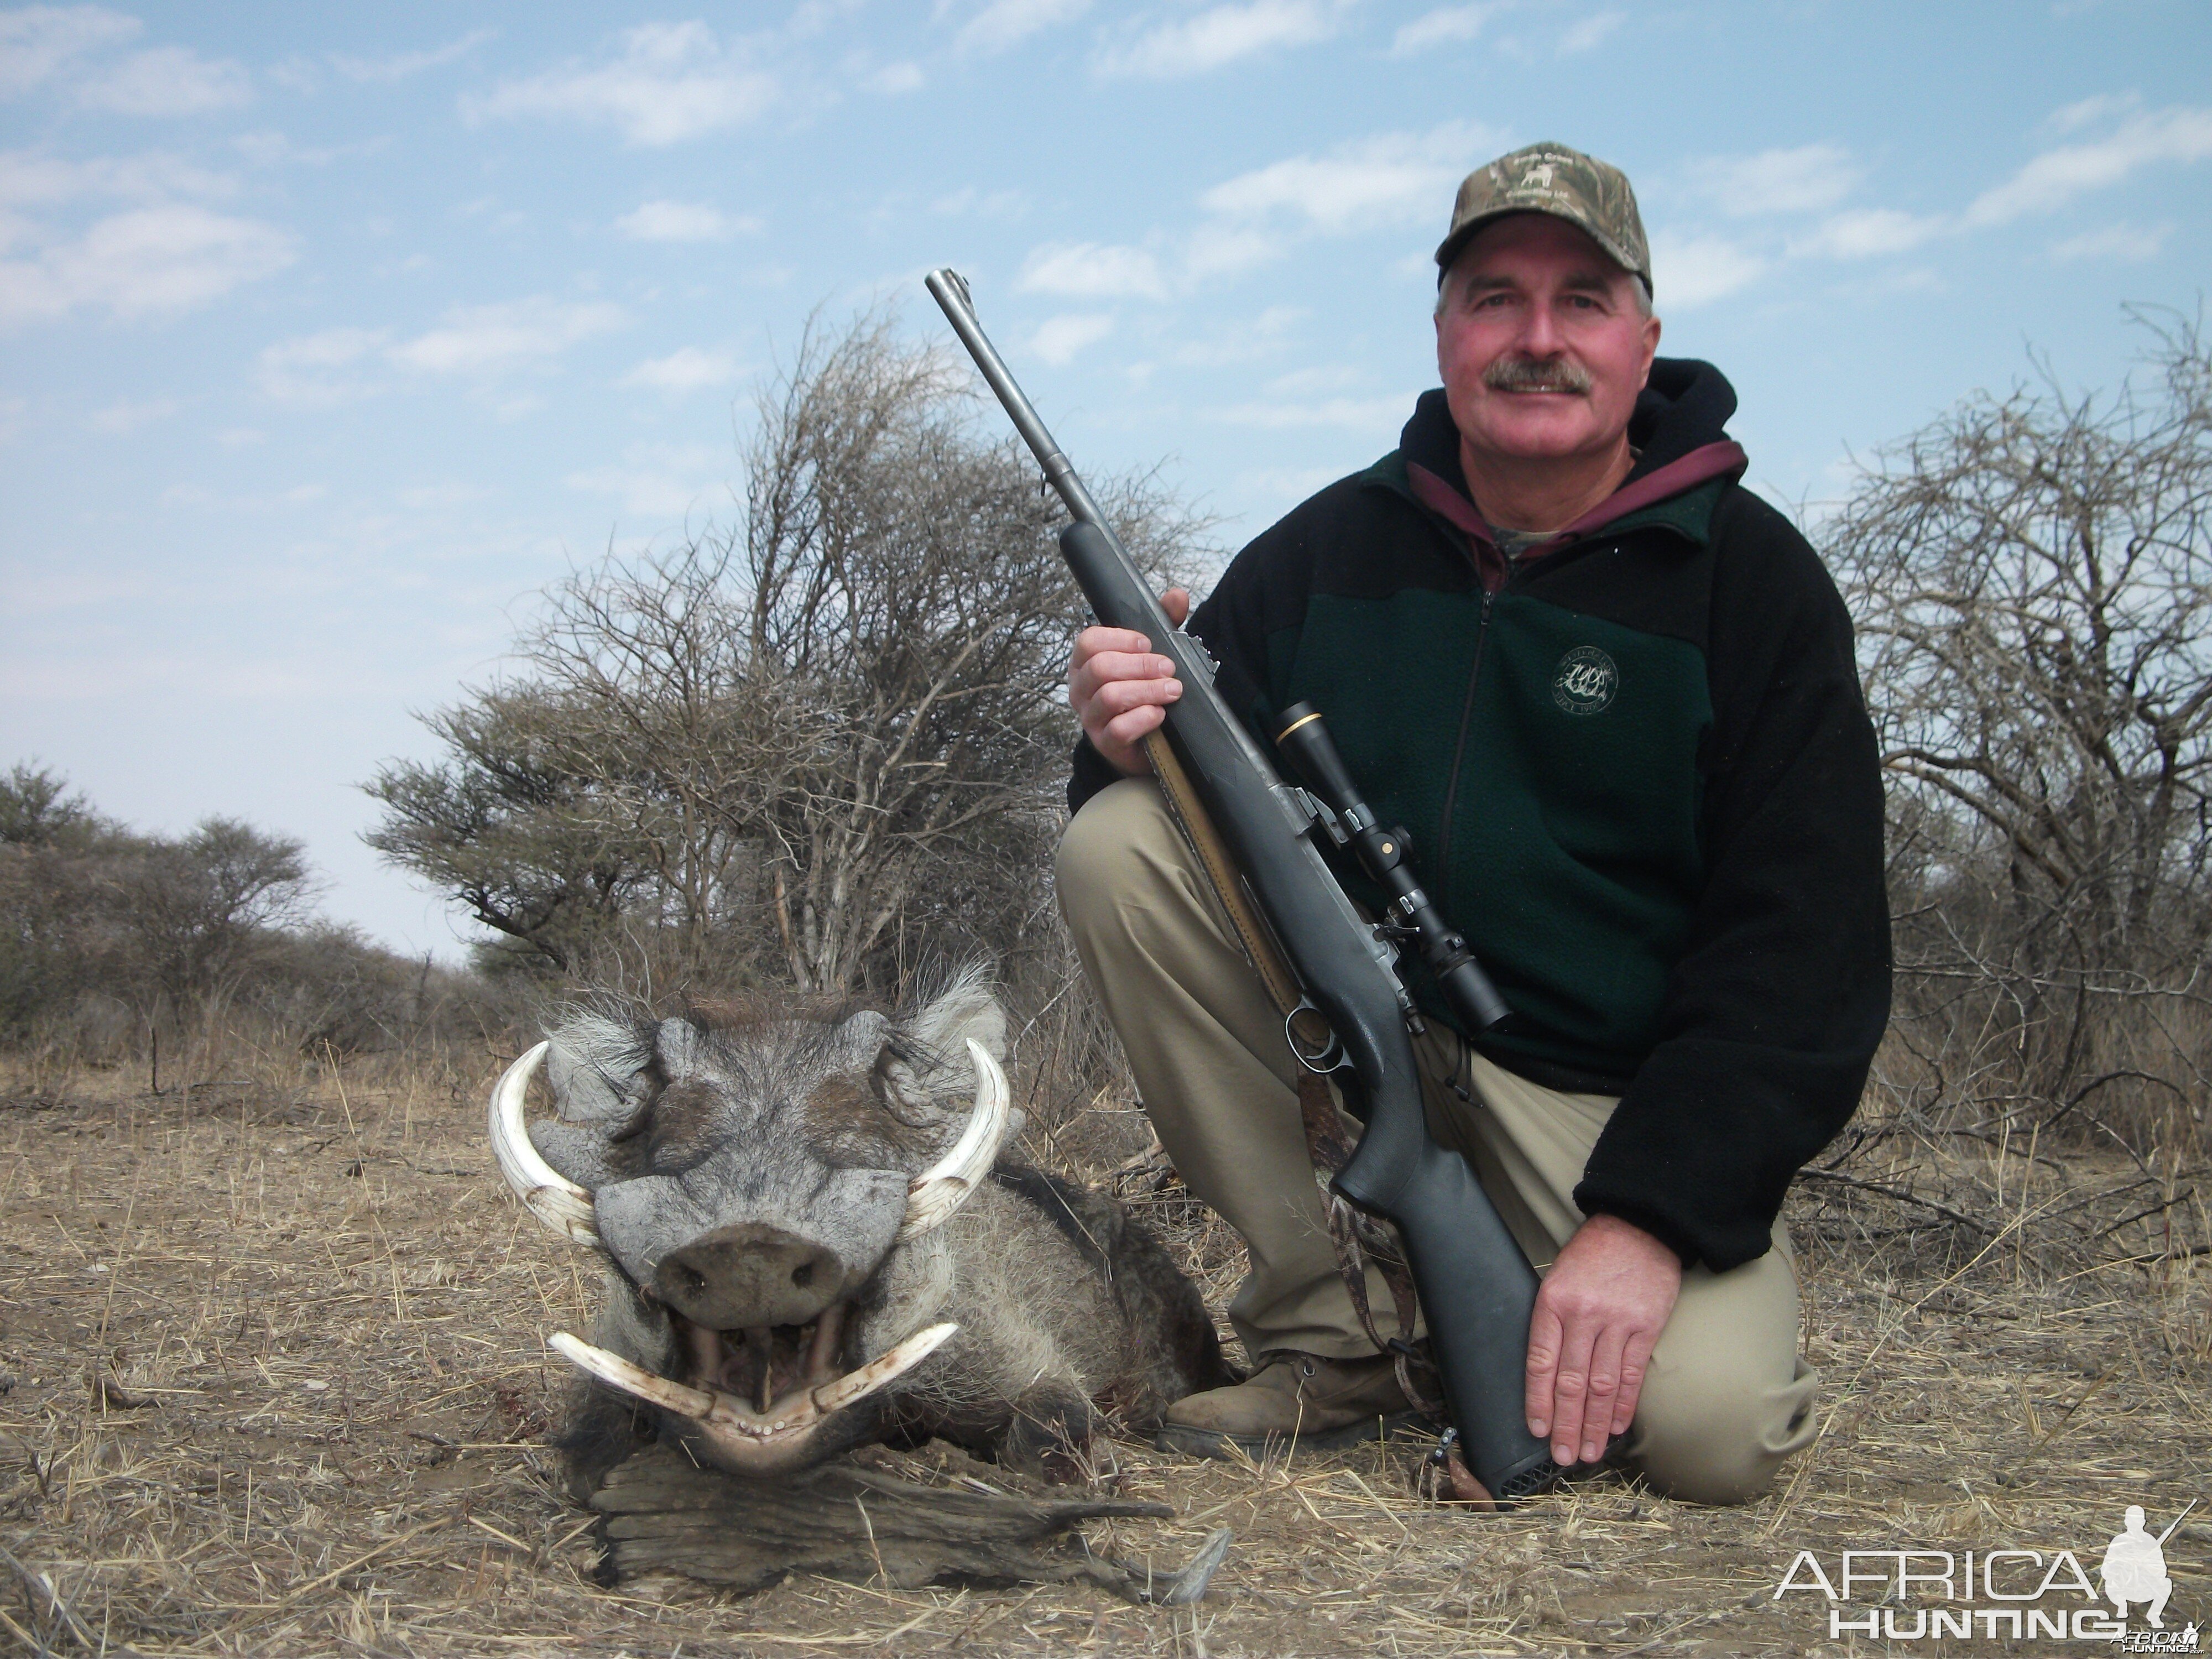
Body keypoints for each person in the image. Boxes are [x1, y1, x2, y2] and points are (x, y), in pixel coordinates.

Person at [1054, 142, 1890, 1505]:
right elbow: (1185, 820)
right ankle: (1343, 1343)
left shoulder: (1759, 585)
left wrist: (1645, 1220)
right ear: (1444, 332)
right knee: (1119, 844)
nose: (1536, 340)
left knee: (1709, 1438)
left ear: (1644, 340)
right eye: (1494, 299)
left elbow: (1804, 961)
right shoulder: (1321, 548)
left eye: (1580, 302)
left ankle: (1527, 1284)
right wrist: (1117, 740)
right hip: (1362, 1041)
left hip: (1603, 1105)